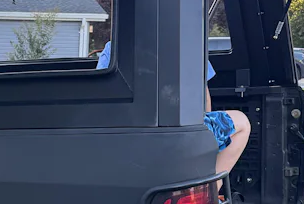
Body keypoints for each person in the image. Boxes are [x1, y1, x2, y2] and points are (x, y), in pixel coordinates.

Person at [97, 42, 250, 174]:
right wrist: (204, 136)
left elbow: (105, 94)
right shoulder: (191, 46)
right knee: (242, 122)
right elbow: (203, 96)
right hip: (180, 138)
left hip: (127, 137)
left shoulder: (114, 47)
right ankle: (213, 186)